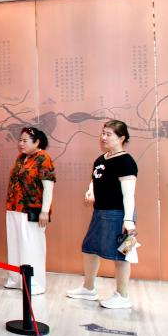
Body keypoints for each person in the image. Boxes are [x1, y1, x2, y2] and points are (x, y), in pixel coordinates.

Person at [67, 120, 138, 309]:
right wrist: (91, 190)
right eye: (103, 133)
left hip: (120, 215)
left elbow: (129, 194)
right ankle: (88, 288)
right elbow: (95, 179)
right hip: (100, 213)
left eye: (109, 134)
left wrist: (129, 220)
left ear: (121, 138)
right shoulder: (100, 159)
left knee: (122, 255)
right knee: (89, 248)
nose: (103, 137)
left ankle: (123, 296)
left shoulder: (126, 162)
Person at [4, 127, 56, 295]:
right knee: (15, 244)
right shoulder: (21, 157)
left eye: (25, 141)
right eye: (20, 140)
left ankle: (34, 283)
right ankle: (16, 278)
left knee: (32, 246)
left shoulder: (44, 158)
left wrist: (45, 211)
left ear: (37, 142)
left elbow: (48, 187)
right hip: (14, 207)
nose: (21, 143)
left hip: (32, 209)